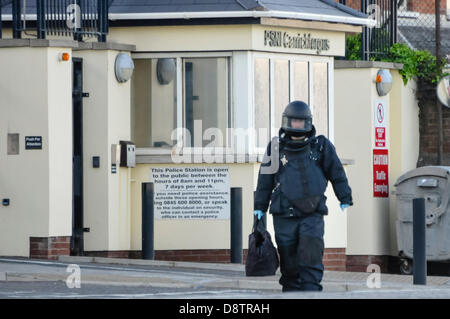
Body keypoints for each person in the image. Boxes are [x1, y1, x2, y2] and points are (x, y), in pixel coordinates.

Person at [253, 100, 353, 292]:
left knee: (311, 251)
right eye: (294, 121)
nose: (297, 125)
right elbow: (265, 179)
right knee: (288, 258)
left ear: (307, 123)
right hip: (284, 213)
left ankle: (311, 291)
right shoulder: (275, 148)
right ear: (286, 122)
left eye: (300, 122)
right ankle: (291, 291)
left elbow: (337, 172)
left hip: (312, 212)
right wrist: (259, 206)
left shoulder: (321, 146)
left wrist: (344, 197)